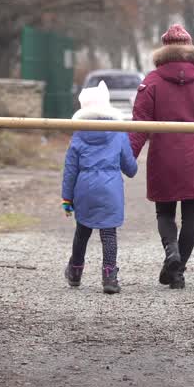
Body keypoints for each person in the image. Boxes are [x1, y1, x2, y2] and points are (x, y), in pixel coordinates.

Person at [130, 24, 194, 289]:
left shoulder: (152, 81)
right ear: (190, 49)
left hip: (164, 156)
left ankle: (172, 253)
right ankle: (178, 272)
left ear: (164, 50)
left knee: (165, 213)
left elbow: (139, 125)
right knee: (192, 216)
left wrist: (127, 157)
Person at [61, 81, 138, 295]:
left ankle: (75, 271)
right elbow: (130, 168)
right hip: (110, 189)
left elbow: (70, 169)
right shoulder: (118, 132)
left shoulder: (78, 136)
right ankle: (109, 276)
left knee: (82, 232)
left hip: (84, 189)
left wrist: (67, 198)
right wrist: (132, 165)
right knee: (109, 235)